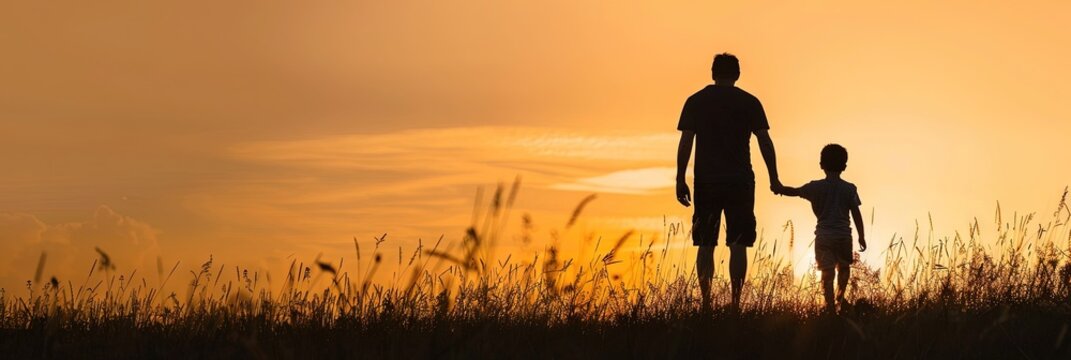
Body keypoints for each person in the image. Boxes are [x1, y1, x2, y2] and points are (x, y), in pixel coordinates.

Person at [676, 53, 781, 311]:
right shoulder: (750, 102)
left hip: (706, 181)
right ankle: (734, 305)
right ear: (737, 74)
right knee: (738, 244)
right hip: (740, 181)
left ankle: (707, 305)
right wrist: (774, 178)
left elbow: (686, 141)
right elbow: (764, 141)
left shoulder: (696, 101)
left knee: (705, 244)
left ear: (713, 73)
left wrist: (680, 178)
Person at [773, 144, 867, 312]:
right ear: (844, 166)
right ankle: (840, 299)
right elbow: (856, 213)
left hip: (823, 237)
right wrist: (861, 236)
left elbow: (793, 191)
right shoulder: (849, 188)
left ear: (821, 165)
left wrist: (779, 188)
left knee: (827, 271)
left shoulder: (814, 187)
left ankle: (830, 306)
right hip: (844, 236)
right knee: (844, 268)